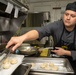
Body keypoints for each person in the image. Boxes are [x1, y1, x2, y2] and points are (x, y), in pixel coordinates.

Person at [6, 1, 76, 74]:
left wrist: (66, 52)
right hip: (59, 61)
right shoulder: (57, 25)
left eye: (72, 16)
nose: (68, 18)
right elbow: (39, 31)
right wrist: (22, 38)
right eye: (66, 14)